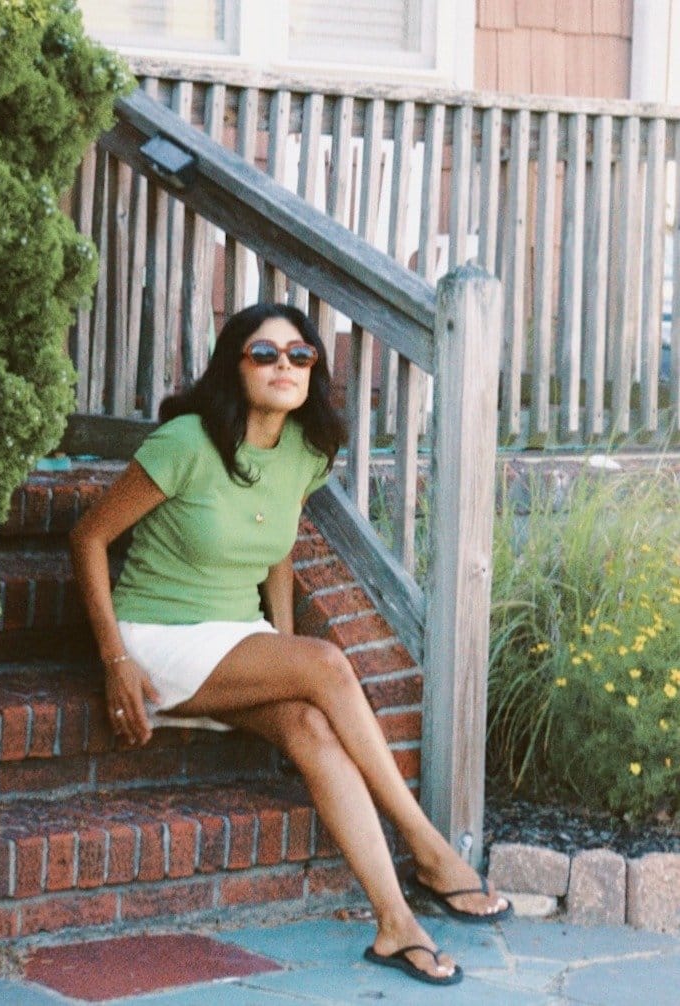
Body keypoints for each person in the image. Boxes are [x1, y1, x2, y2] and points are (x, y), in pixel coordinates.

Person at [69, 302, 510, 987]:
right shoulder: (185, 441)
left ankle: (395, 924)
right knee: (327, 664)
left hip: (235, 635)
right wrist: (114, 661)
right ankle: (428, 848)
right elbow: (88, 537)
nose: (285, 366)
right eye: (265, 353)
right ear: (233, 367)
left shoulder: (305, 453)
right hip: (157, 636)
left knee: (310, 722)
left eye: (300, 355)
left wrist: (280, 646)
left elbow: (278, 551)